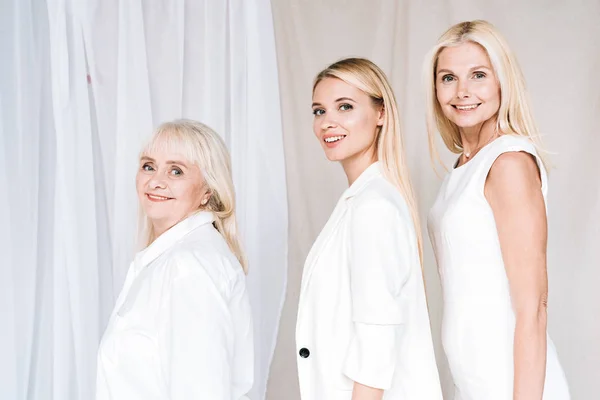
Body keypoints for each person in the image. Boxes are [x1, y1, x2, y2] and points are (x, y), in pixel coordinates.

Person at [425, 20, 570, 399]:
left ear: (502, 81)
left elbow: (533, 308)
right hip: (472, 381)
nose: (462, 92)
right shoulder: (463, 166)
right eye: (448, 78)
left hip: (513, 385)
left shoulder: (508, 162)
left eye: (478, 75)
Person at [296, 57, 442, 400]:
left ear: (381, 114)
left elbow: (375, 341)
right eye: (319, 111)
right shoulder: (364, 200)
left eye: (344, 106)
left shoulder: (374, 207)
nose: (327, 122)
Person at [96, 119, 253, 399]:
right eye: (148, 166)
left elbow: (202, 390)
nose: (155, 181)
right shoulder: (175, 257)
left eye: (176, 171)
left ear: (208, 191)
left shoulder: (189, 264)